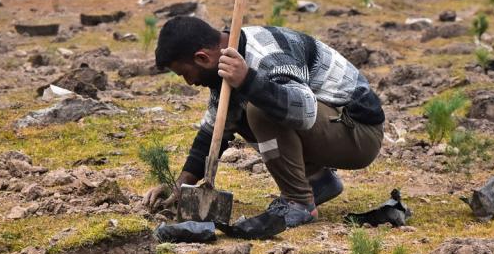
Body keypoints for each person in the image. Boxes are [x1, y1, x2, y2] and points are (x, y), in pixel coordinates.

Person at [145, 16, 385, 228]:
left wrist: (248, 79)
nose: (189, 82)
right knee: (242, 108)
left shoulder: (266, 55)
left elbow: (305, 112)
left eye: (185, 73)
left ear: (202, 57)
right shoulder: (226, 61)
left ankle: (299, 203)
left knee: (259, 108)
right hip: (329, 128)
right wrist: (180, 185)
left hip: (359, 134)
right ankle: (317, 181)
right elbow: (214, 130)